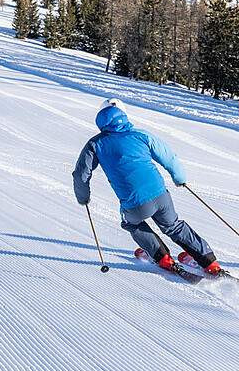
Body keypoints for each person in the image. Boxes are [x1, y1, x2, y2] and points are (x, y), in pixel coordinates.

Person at [73, 99, 224, 276]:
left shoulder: (95, 144)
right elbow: (169, 157)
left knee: (133, 224)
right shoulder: (141, 135)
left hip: (134, 203)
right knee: (174, 226)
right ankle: (209, 263)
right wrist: (179, 178)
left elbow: (81, 174)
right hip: (161, 195)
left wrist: (83, 197)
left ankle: (162, 258)